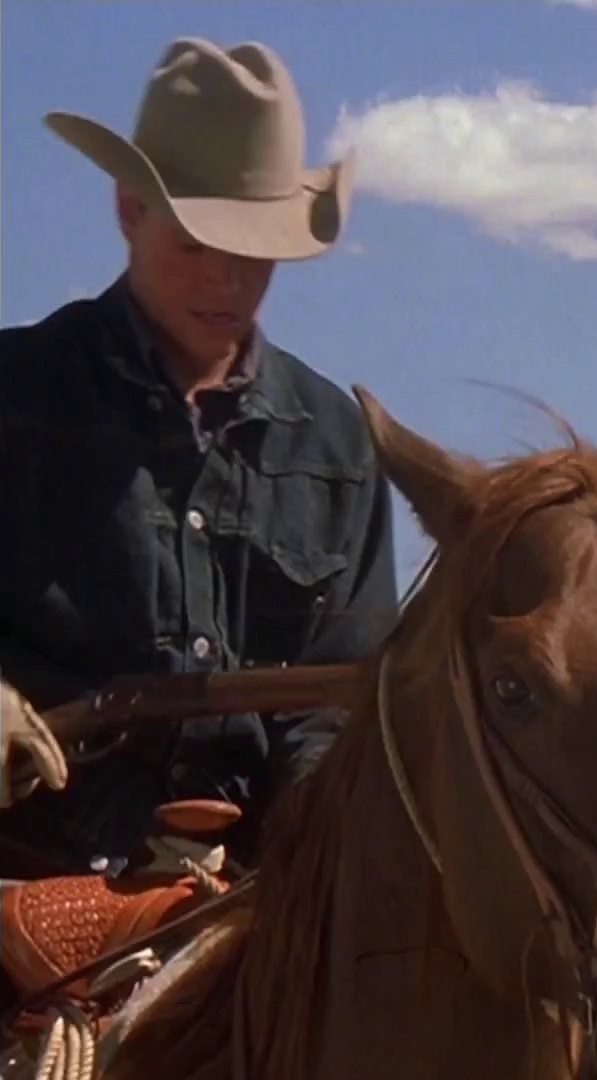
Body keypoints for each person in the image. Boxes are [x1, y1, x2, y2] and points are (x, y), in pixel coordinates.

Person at [0, 37, 397, 880]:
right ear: (129, 210)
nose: (226, 279)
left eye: (253, 251)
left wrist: (313, 837)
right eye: (194, 244)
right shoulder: (15, 396)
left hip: (263, 888)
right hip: (27, 867)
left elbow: (341, 701)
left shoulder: (336, 442)